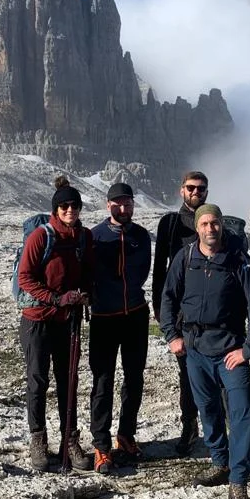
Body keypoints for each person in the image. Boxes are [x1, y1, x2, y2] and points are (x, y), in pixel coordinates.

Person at [160, 203, 250, 499]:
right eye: (205, 223)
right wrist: (171, 335)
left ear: (222, 226)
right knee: (207, 408)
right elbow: (168, 296)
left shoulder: (238, 259)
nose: (210, 229)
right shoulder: (186, 257)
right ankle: (220, 461)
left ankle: (239, 478)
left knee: (241, 412)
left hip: (230, 350)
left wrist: (249, 348)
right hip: (195, 349)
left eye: (215, 223)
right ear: (198, 227)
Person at [16, 175, 94, 472]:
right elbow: (25, 278)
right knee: (38, 380)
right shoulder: (41, 237)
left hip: (68, 321)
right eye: (64, 206)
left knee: (68, 382)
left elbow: (87, 272)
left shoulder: (83, 237)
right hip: (37, 320)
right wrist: (56, 298)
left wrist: (84, 294)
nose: (70, 210)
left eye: (74, 205)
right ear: (56, 208)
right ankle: (38, 439)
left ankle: (69, 440)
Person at [88, 182, 152, 475]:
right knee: (103, 382)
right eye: (118, 204)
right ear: (108, 205)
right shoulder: (94, 237)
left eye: (128, 204)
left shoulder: (141, 236)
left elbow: (142, 272)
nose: (123, 209)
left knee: (134, 378)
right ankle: (101, 445)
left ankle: (126, 435)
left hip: (136, 315)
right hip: (104, 317)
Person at [152, 170, 209, 456]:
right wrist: (160, 309)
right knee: (186, 373)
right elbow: (159, 267)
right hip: (181, 312)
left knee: (216, 374)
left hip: (212, 313)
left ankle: (213, 428)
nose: (196, 192)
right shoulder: (170, 223)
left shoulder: (213, 220)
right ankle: (190, 426)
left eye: (201, 188)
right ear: (181, 190)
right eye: (191, 188)